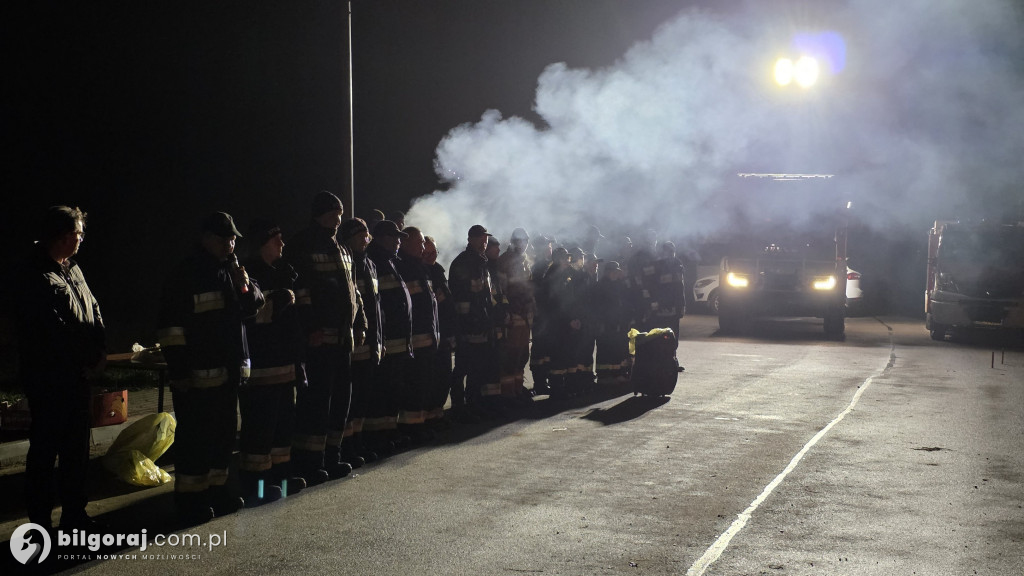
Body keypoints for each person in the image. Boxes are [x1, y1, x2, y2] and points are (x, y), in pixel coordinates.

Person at [158, 211, 264, 523]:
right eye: (225, 238)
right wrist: (178, 371)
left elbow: (253, 304)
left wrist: (244, 286)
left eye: (233, 239)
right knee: (195, 441)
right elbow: (171, 328)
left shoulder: (231, 271)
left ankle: (218, 492)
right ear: (206, 238)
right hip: (197, 379)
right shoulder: (186, 274)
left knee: (223, 437)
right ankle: (191, 501)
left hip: (229, 375)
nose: (231, 244)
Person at [18, 206, 106, 530]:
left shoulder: (72, 270)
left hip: (78, 379)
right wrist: (82, 361)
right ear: (65, 235)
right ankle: (40, 524)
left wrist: (101, 352)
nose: (82, 239)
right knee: (44, 454)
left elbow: (93, 309)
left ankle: (75, 515)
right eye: (79, 233)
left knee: (76, 453)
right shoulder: (35, 276)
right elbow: (51, 333)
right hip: (51, 382)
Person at [286, 191, 366, 482]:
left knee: (340, 402)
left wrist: (360, 322)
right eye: (334, 212)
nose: (339, 217)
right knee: (317, 403)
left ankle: (332, 457)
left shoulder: (341, 247)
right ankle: (310, 461)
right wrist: (310, 330)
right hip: (320, 341)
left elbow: (352, 291)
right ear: (320, 214)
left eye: (341, 212)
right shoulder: (303, 245)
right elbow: (302, 293)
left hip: (343, 340)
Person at [238, 220, 306, 505]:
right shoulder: (250, 273)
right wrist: (281, 296)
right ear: (263, 243)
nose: (282, 244)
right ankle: (258, 488)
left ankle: (281, 479)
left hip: (283, 364)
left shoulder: (279, 272)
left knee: (282, 427)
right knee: (260, 431)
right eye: (276, 240)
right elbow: (253, 313)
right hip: (262, 366)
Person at [365, 220, 413, 452]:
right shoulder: (376, 262)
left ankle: (388, 434)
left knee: (393, 390)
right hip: (387, 341)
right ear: (382, 238)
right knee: (381, 391)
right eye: (394, 237)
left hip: (397, 341)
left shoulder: (390, 262)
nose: (398, 242)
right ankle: (377, 438)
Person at [340, 218, 383, 463]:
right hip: (354, 346)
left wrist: (379, 339)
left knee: (364, 399)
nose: (365, 240)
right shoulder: (347, 264)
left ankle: (358, 443)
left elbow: (377, 309)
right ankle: (347, 447)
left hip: (370, 344)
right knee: (351, 401)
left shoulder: (370, 265)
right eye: (360, 236)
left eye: (367, 236)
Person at [395, 225, 439, 441]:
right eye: (420, 242)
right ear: (407, 243)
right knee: (414, 386)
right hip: (415, 340)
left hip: (426, 338)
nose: (423, 246)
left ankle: (418, 425)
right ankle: (410, 428)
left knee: (424, 384)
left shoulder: (418, 267)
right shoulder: (403, 267)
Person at [448, 225, 495, 417]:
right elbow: (462, 296)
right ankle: (459, 406)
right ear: (471, 239)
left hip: (479, 322)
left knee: (478, 366)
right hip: (466, 324)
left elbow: (485, 295)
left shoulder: (481, 262)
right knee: (464, 366)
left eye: (486, 239)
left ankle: (474, 402)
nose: (485, 242)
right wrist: (471, 320)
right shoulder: (464, 262)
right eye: (481, 239)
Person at [497, 228, 534, 402]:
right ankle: (507, 392)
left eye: (525, 241)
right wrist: (508, 311)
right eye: (519, 241)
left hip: (525, 314)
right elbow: (501, 289)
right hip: (512, 314)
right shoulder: (505, 261)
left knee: (522, 354)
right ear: (513, 242)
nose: (523, 244)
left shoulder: (525, 260)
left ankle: (518, 388)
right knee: (510, 354)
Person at [422, 235, 456, 426]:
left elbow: (447, 306)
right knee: (431, 378)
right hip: (430, 335)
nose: (431, 256)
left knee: (444, 376)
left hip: (443, 333)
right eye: (427, 252)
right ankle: (427, 419)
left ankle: (437, 414)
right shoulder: (420, 273)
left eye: (434, 252)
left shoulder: (437, 271)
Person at [592, 261, 634, 384]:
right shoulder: (602, 286)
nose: (616, 274)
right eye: (614, 272)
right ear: (608, 272)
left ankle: (617, 374)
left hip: (617, 322)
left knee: (617, 349)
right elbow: (600, 306)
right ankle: (604, 375)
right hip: (607, 323)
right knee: (606, 349)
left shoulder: (618, 284)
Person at [650, 241, 686, 333]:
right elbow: (653, 285)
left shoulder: (677, 263)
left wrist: (681, 305)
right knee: (661, 333)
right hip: (661, 305)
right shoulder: (657, 264)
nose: (670, 254)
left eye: (671, 251)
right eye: (668, 251)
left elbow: (680, 287)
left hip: (672, 304)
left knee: (672, 333)